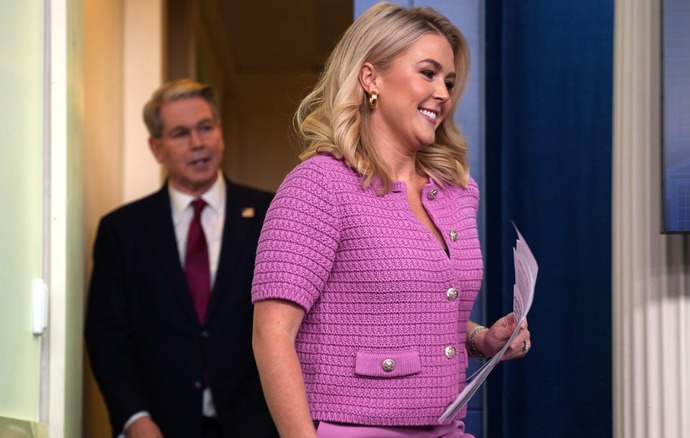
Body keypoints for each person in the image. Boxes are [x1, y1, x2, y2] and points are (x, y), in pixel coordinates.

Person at [250, 3, 532, 437]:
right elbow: (271, 335)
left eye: (450, 81)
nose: (443, 92)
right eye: (428, 73)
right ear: (371, 79)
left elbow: (421, 311)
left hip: (445, 427)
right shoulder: (318, 185)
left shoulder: (457, 191)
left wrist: (481, 340)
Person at [85, 78, 278, 438]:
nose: (198, 143)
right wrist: (134, 418)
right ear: (157, 148)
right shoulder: (122, 231)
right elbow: (107, 336)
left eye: (205, 128)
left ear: (220, 132)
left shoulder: (273, 214)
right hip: (159, 426)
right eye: (180, 133)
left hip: (256, 425)